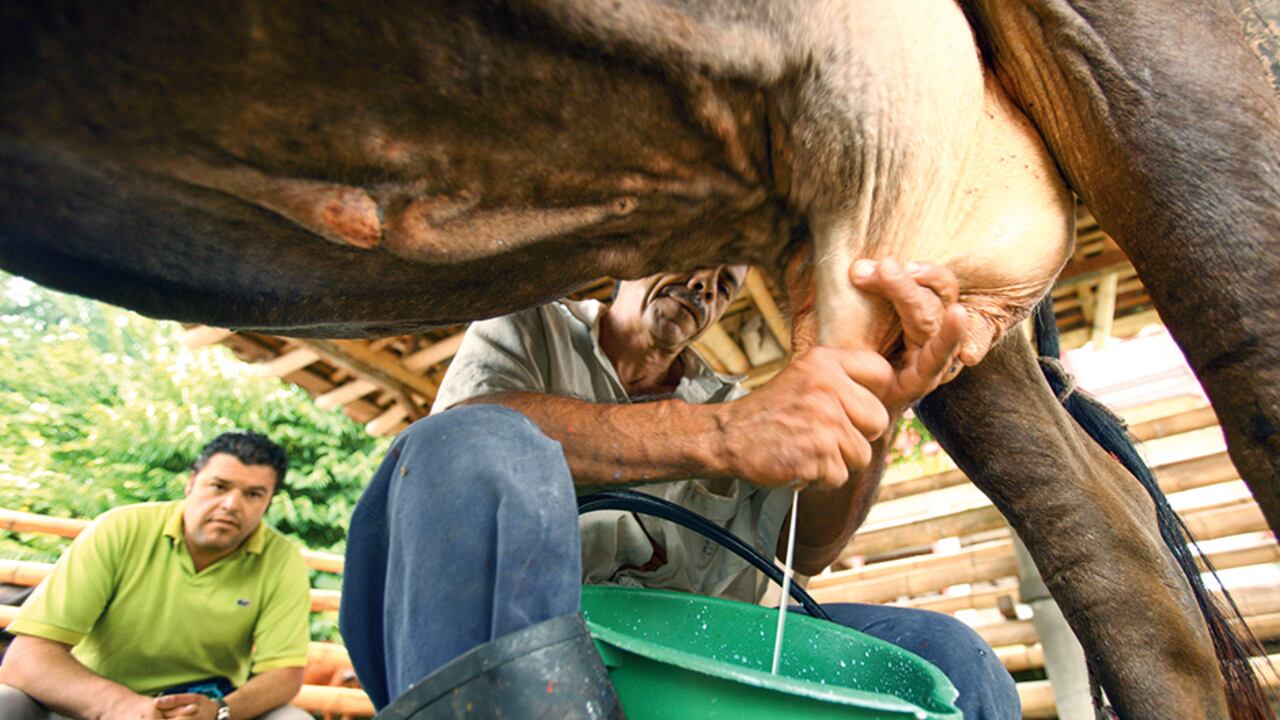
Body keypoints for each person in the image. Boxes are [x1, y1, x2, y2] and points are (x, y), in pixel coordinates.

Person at [341, 260, 1019, 718]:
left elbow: (811, 548)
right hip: (538, 639)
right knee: (470, 444)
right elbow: (466, 444)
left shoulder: (740, 400)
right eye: (693, 255)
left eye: (724, 281)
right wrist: (721, 434)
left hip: (696, 668)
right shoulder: (532, 327)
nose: (702, 283)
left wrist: (876, 407)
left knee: (948, 657)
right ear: (630, 260)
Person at [0, 432, 313, 720]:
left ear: (268, 502)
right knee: (5, 701)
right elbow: (26, 658)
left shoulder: (282, 560)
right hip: (92, 705)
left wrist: (220, 712)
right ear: (191, 484)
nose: (232, 504)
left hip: (201, 710)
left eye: (253, 494)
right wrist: (120, 705)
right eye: (219, 486)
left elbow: (284, 673)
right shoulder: (120, 529)